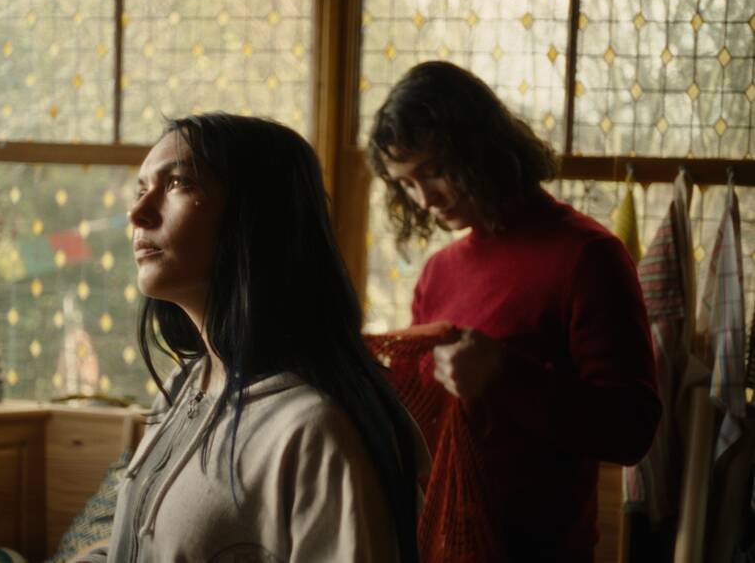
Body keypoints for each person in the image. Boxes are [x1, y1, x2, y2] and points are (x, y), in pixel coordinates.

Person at [75, 113, 427, 563]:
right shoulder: (182, 389)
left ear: (257, 215)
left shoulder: (318, 431)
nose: (137, 213)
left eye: (179, 183)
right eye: (142, 188)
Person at [366, 61, 662, 562]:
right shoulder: (439, 272)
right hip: (440, 545)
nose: (424, 198)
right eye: (406, 183)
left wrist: (504, 373)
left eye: (433, 171)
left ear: (479, 147)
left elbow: (632, 430)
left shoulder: (587, 256)